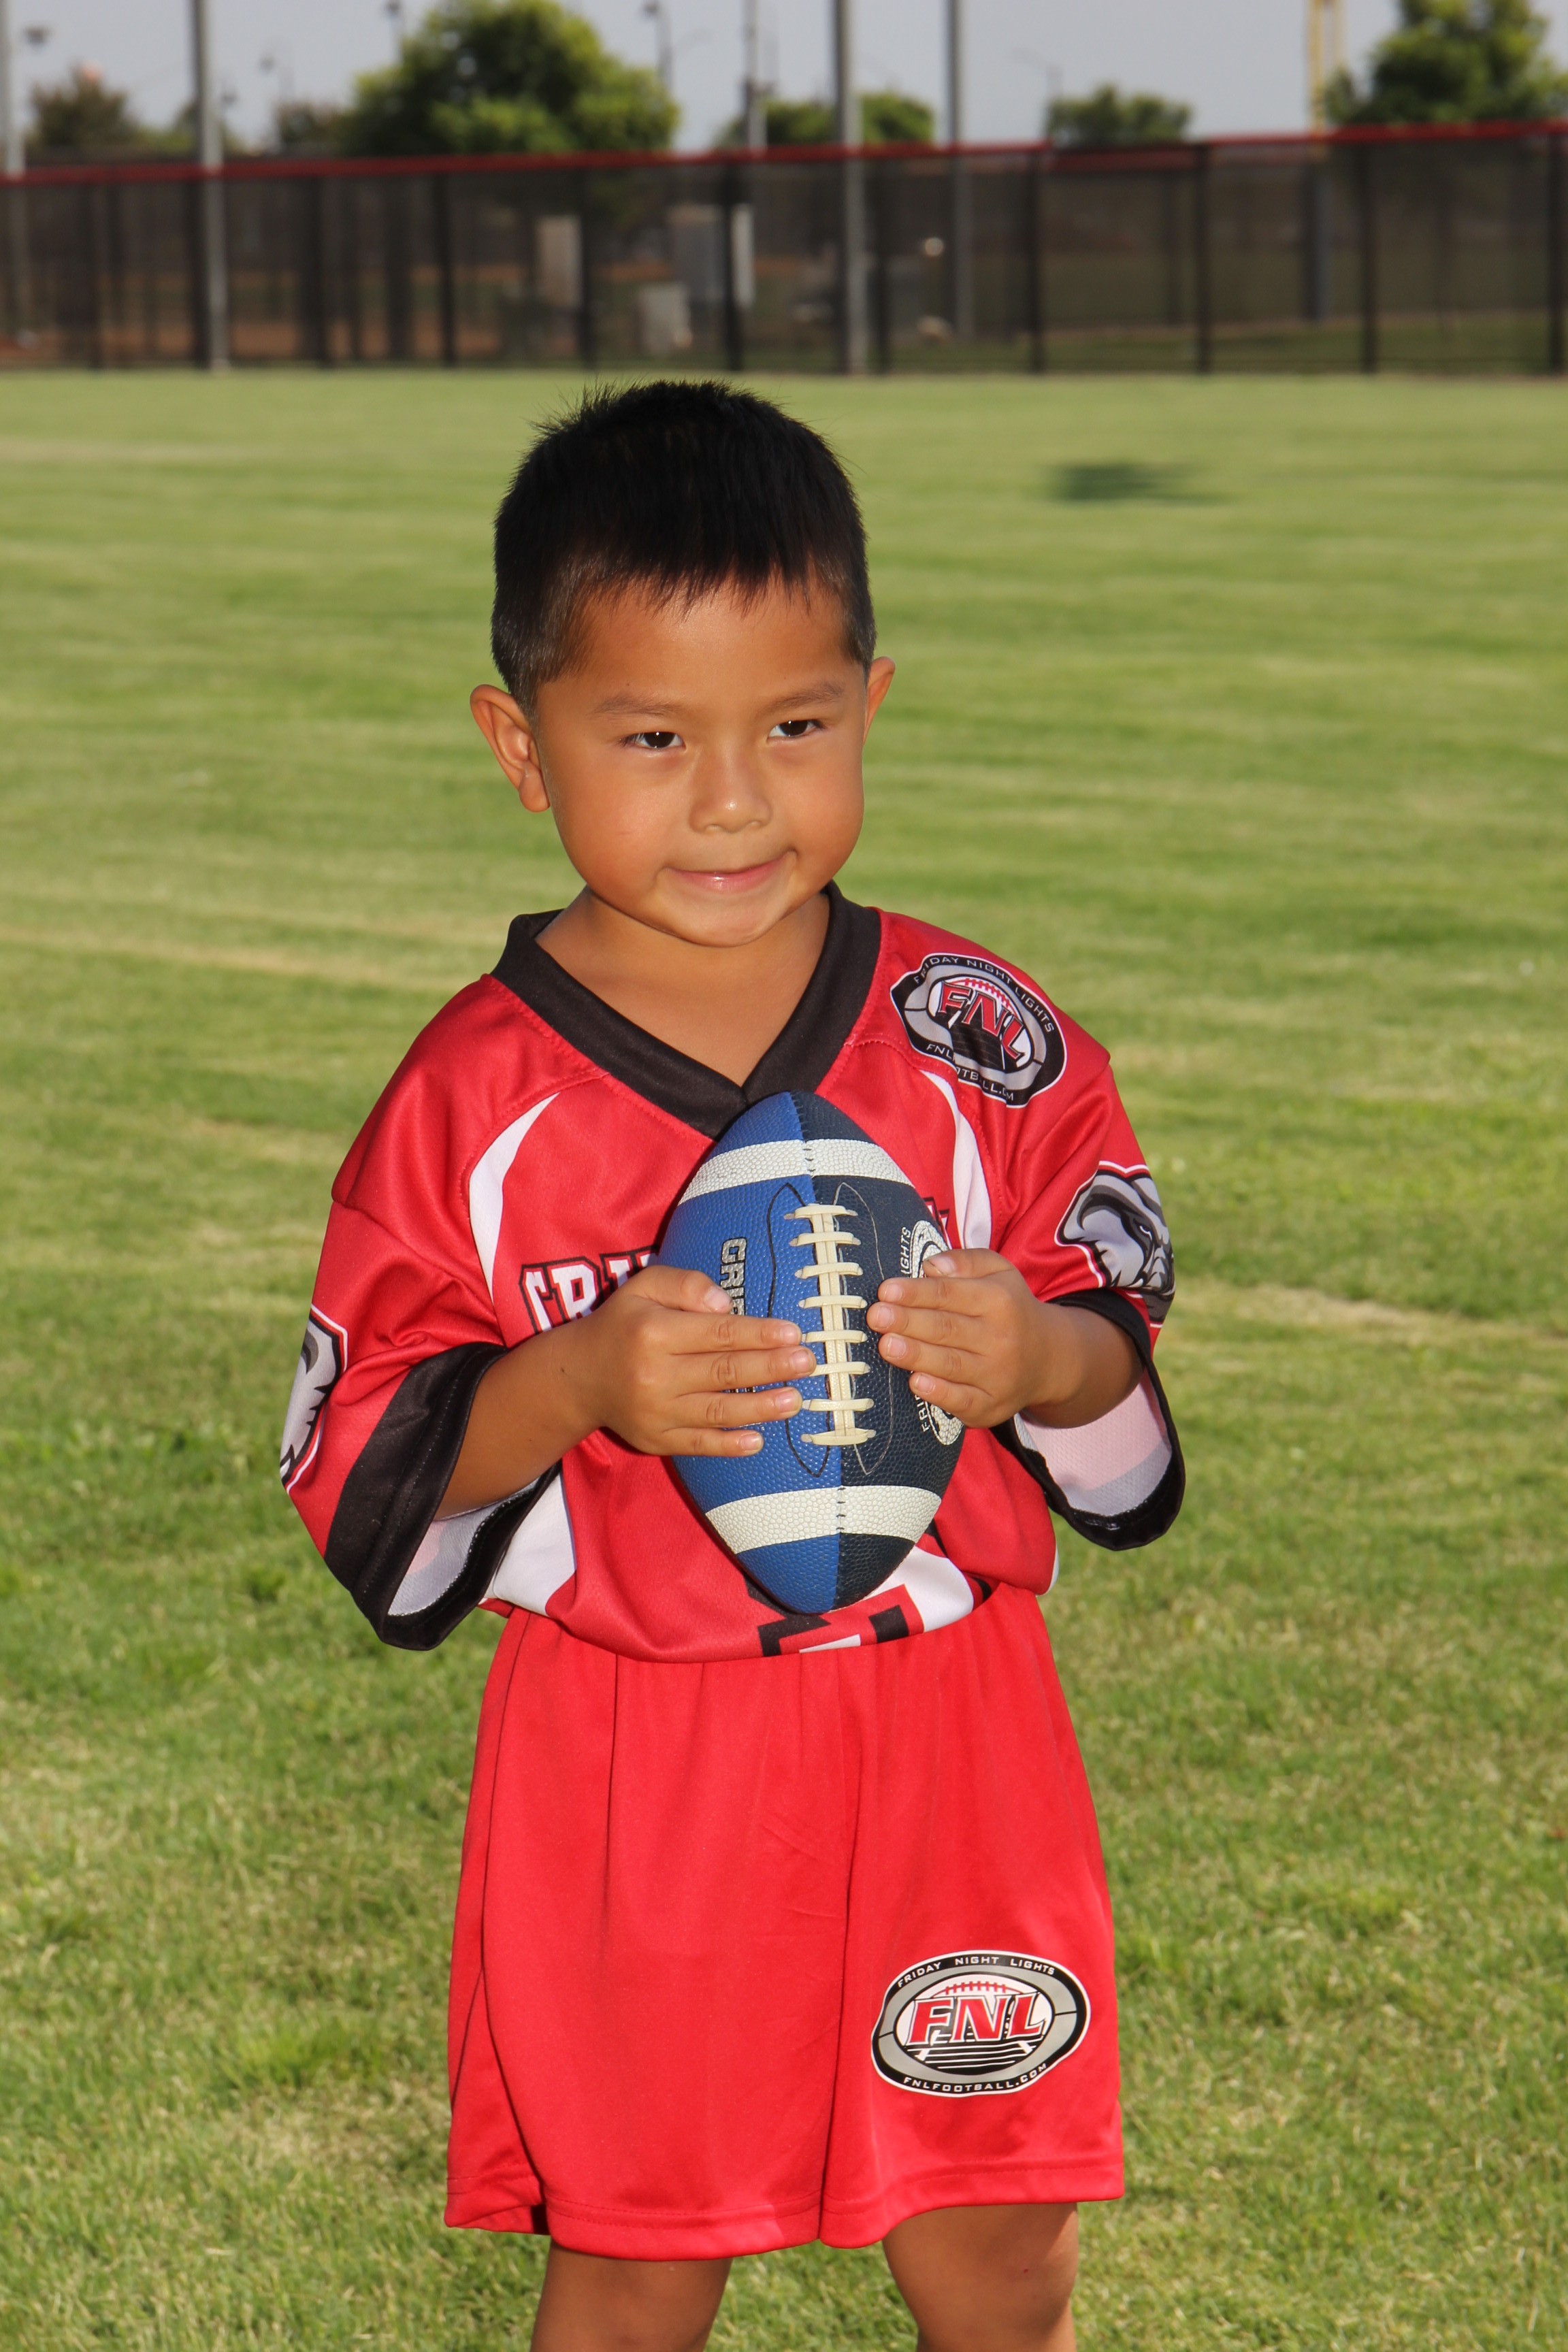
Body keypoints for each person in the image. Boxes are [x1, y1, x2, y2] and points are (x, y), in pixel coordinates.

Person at [281, 380, 1183, 2352]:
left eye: (795, 726)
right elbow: (371, 1462)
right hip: (640, 1754)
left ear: (873, 703)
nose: (731, 801)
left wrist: (1034, 1351)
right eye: (652, 737)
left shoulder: (969, 1031)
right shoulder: (474, 1095)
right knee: (636, 2252)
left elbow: (1111, 1330)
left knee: (1002, 2238)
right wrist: (575, 1384)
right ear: (520, 746)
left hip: (952, 1727)